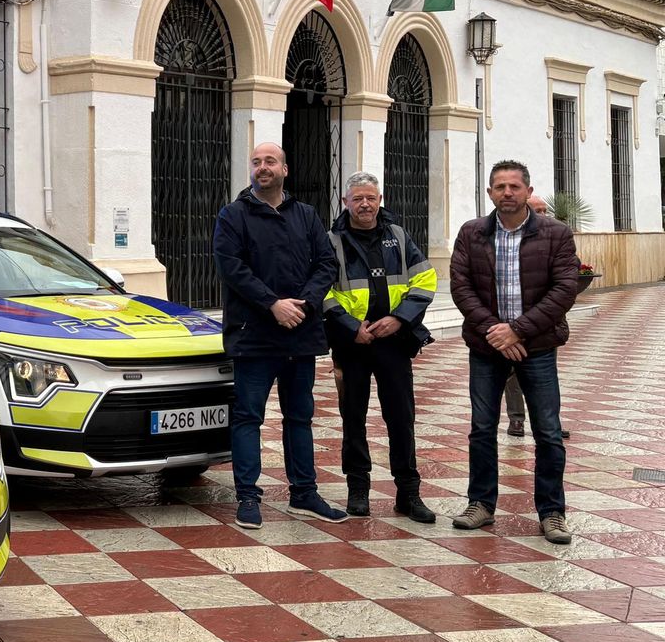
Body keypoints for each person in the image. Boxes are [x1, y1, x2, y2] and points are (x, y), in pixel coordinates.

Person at [212, 142, 347, 529]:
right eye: (256, 162)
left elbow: (326, 263)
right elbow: (232, 269)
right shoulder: (233, 215)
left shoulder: (305, 215)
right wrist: (272, 304)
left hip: (299, 334)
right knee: (248, 417)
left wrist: (302, 304)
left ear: (285, 169)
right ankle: (248, 498)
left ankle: (304, 494)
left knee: (300, 416)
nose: (262, 167)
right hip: (253, 335)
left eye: (270, 161)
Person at [449, 161, 578, 544]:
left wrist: (518, 330)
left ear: (527, 190)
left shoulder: (556, 233)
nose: (507, 192)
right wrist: (496, 331)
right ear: (489, 192)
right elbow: (461, 286)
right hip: (487, 347)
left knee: (548, 432)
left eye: (514, 186)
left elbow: (564, 289)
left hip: (536, 347)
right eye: (499, 186)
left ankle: (552, 512)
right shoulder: (472, 233)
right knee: (481, 429)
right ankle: (481, 504)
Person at [322, 172, 437, 523]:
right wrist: (349, 326)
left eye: (370, 197)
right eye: (357, 198)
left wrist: (400, 319)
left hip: (394, 343)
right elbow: (321, 290)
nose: (365, 204)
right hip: (352, 344)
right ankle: (358, 490)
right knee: (353, 418)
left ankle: (408, 493)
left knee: (401, 418)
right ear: (346, 202)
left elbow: (425, 279)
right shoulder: (331, 241)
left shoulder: (399, 236)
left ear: (380, 198)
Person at [504, 195, 569, 440]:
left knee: (546, 377)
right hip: (510, 327)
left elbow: (565, 284)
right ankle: (517, 420)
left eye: (545, 211)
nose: (542, 215)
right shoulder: (507, 239)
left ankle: (551, 422)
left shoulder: (556, 237)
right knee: (513, 376)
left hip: (543, 327)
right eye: (537, 210)